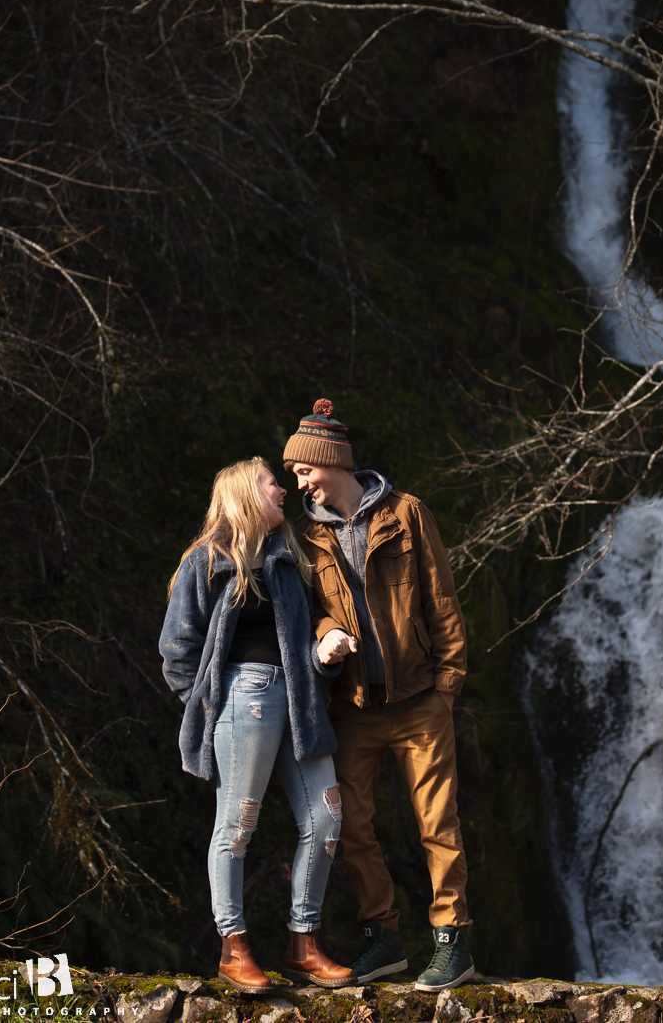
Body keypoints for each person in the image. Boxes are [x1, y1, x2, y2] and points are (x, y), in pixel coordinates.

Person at [283, 400, 474, 993]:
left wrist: (447, 687)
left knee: (437, 824)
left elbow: (441, 602)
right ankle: (383, 940)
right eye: (293, 475)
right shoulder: (305, 536)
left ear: (329, 462)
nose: (299, 482)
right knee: (353, 828)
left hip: (420, 702)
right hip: (354, 708)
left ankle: (452, 943)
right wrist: (324, 635)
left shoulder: (407, 513)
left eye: (303, 470)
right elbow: (307, 611)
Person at [159, 457, 357, 994]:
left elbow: (303, 644)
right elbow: (176, 650)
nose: (284, 492)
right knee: (238, 826)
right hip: (241, 700)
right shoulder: (206, 561)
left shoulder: (290, 559)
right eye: (275, 483)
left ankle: (303, 943)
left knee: (327, 819)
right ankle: (234, 946)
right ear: (248, 493)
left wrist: (327, 651)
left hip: (302, 700)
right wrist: (206, 703)